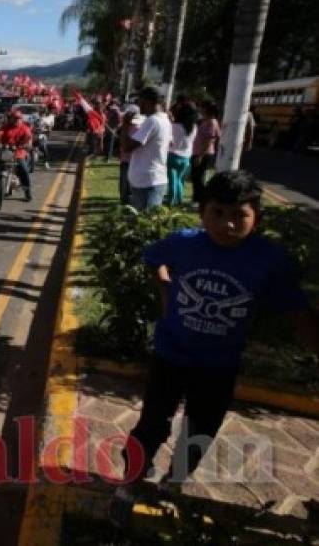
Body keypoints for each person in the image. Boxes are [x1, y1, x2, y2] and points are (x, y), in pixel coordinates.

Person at [110, 171, 319, 527]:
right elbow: (153, 259)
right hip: (170, 354)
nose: (228, 224)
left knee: (200, 428)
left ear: (258, 218)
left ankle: (174, 483)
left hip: (219, 364)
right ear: (202, 212)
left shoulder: (268, 259)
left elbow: (295, 309)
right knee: (151, 425)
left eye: (240, 215)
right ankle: (128, 485)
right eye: (217, 213)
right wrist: (164, 290)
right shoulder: (184, 243)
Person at [123, 87, 172, 211]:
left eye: (140, 100)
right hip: (151, 180)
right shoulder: (165, 119)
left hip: (147, 183)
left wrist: (125, 125)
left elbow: (127, 147)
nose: (139, 104)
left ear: (149, 101)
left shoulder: (152, 121)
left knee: (146, 223)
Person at [0, 109, 33, 201]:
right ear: (10, 118)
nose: (16, 120)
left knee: (24, 169)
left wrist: (27, 145)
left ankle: (28, 192)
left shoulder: (25, 129)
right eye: (14, 118)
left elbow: (29, 139)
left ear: (21, 119)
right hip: (4, 151)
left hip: (18, 152)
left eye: (18, 119)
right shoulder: (5, 127)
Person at [166, 98, 198, 206]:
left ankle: (171, 200)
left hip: (173, 155)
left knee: (172, 180)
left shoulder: (174, 126)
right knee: (179, 180)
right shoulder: (194, 127)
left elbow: (170, 140)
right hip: (186, 157)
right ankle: (179, 200)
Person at [190, 101, 220, 205]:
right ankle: (196, 199)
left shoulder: (212, 122)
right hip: (198, 152)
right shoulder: (205, 121)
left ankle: (199, 200)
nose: (200, 110)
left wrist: (200, 155)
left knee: (200, 178)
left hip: (204, 154)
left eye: (202, 108)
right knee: (195, 177)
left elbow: (210, 140)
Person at [118, 105, 143, 205]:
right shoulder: (127, 126)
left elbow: (127, 146)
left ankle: (127, 202)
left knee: (127, 184)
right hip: (126, 160)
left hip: (131, 160)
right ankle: (125, 201)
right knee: (124, 183)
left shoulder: (138, 128)